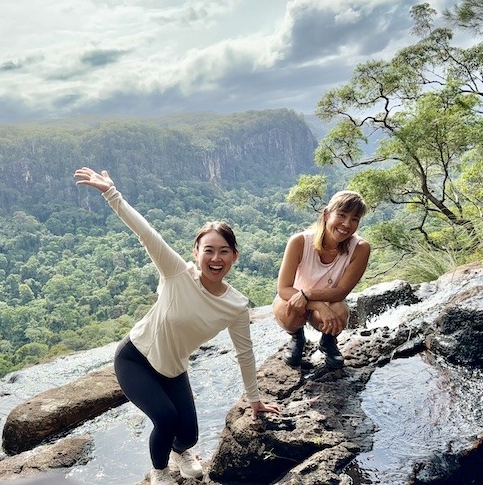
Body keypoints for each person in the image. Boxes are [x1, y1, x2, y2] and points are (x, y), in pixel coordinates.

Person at [74, 167, 279, 485]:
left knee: (189, 435)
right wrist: (111, 193)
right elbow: (146, 232)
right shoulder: (177, 273)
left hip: (173, 369)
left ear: (234, 257)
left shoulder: (236, 305)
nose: (215, 257)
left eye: (223, 251)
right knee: (166, 418)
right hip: (136, 358)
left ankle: (178, 453)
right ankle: (159, 471)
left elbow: (245, 353)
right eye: (208, 250)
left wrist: (254, 399)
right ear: (196, 253)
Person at [272, 190, 370, 369]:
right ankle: (297, 337)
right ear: (326, 214)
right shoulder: (300, 242)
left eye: (355, 219)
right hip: (295, 299)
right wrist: (316, 304)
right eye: (341, 215)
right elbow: (283, 289)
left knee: (340, 311)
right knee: (288, 311)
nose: (347, 224)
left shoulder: (360, 248)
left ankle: (328, 342)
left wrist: (309, 294)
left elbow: (341, 292)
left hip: (328, 302)